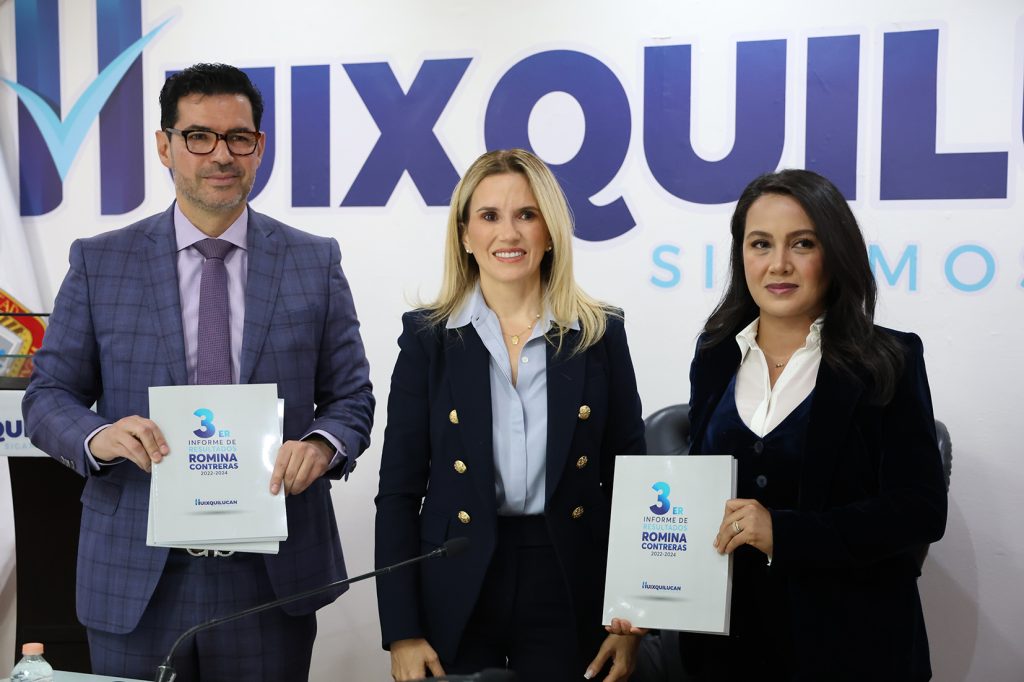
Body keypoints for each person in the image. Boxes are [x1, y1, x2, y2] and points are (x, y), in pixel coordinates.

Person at [22, 63, 374, 681]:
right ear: (165, 146)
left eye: (238, 137)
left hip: (269, 577)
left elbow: (351, 398)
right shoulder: (101, 263)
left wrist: (322, 446)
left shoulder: (313, 262)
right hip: (135, 573)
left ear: (259, 147)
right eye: (198, 136)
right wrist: (99, 437)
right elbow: (48, 396)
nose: (221, 154)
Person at [609, 169, 947, 680]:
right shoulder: (716, 355)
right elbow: (698, 499)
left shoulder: (888, 358)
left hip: (852, 648)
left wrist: (785, 532)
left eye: (802, 243)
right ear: (741, 254)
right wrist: (642, 601)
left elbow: (921, 510)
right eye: (761, 244)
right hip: (726, 652)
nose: (779, 264)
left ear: (834, 253)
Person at [374, 149, 646, 681]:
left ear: (551, 231)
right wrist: (402, 630)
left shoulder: (600, 334)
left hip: (569, 576)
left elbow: (630, 486)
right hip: (455, 575)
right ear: (465, 234)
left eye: (527, 214)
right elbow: (399, 493)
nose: (509, 233)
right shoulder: (428, 339)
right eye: (489, 216)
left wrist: (631, 615)